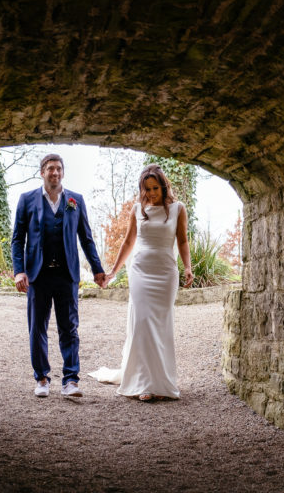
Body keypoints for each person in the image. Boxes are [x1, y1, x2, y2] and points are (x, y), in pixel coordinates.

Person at [89, 164, 194, 401]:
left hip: (166, 272)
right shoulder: (137, 209)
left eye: (155, 188)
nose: (151, 193)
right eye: (147, 189)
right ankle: (144, 383)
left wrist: (187, 267)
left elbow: (183, 241)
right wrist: (114, 271)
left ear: (164, 186)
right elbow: (128, 242)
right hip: (141, 272)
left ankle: (162, 380)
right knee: (143, 323)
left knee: (161, 324)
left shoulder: (178, 209)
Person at [11, 153, 106, 398]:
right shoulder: (27, 200)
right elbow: (18, 239)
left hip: (66, 275)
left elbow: (86, 238)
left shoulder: (75, 200)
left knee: (69, 328)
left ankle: (71, 380)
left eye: (59, 169)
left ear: (63, 172)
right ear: (42, 172)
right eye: (51, 168)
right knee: (37, 329)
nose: (55, 173)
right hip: (37, 276)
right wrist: (19, 270)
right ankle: (41, 378)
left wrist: (97, 269)